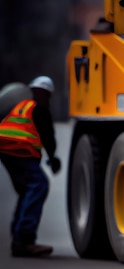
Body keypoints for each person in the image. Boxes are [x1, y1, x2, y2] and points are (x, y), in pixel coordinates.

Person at [0, 76, 62, 257]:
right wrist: (53, 159)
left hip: (5, 149)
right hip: (19, 149)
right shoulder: (39, 108)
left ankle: (18, 237)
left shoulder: (19, 107)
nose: (47, 99)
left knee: (26, 189)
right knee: (38, 185)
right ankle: (25, 240)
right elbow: (48, 138)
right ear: (43, 93)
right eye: (47, 95)